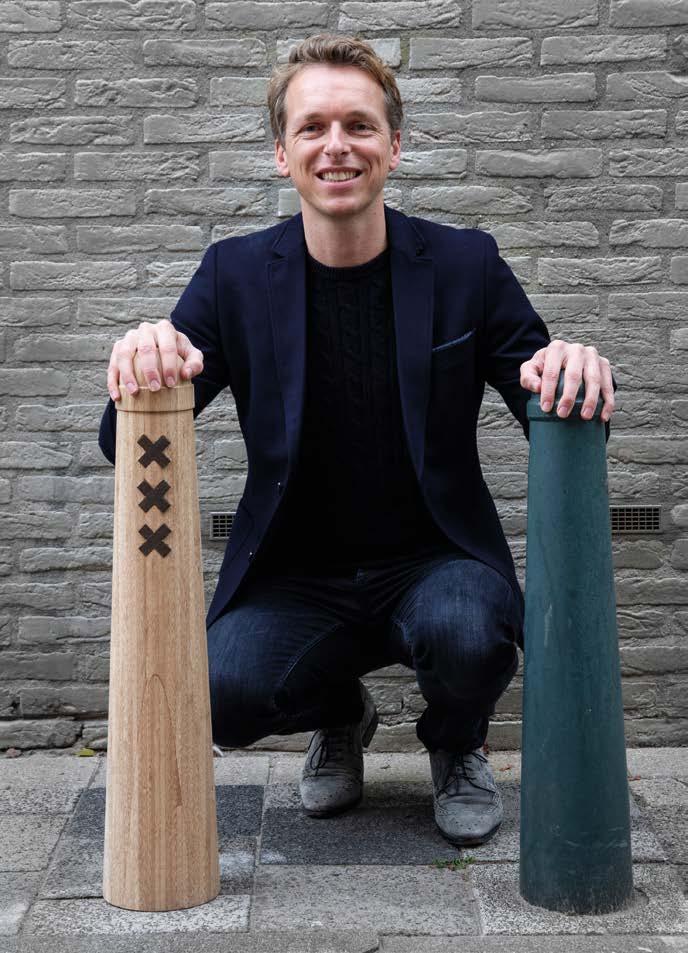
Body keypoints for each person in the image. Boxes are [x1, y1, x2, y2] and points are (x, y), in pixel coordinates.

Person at [99, 33, 616, 847]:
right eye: (312, 127)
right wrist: (139, 365)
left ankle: (456, 743)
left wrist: (571, 369)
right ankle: (340, 714)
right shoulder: (234, 276)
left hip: (435, 561)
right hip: (296, 576)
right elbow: (122, 444)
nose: (336, 145)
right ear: (282, 154)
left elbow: (546, 398)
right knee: (221, 693)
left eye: (359, 125)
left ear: (394, 147)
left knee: (470, 636)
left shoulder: (465, 265)